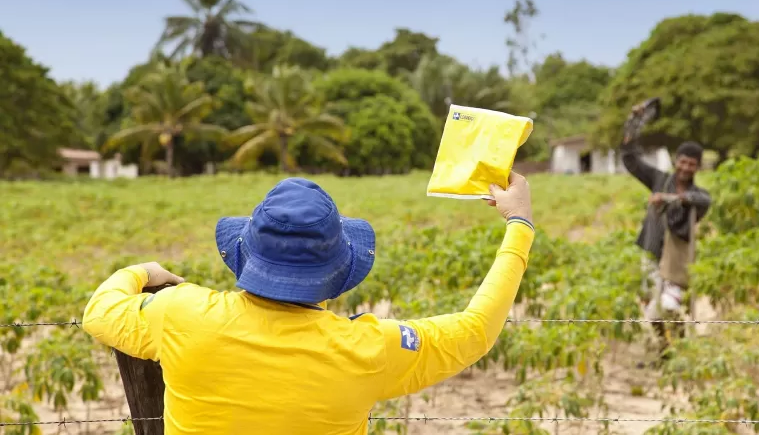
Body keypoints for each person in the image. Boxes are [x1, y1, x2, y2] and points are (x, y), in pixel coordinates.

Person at [82, 174, 534, 435]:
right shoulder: (368, 349)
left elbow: (99, 312)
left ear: (245, 254)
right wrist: (519, 223)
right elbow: (477, 329)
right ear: (339, 271)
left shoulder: (178, 313)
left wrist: (143, 271)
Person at [620, 102, 711, 359]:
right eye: (682, 162)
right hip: (651, 250)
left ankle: (680, 346)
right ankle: (665, 350)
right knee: (650, 306)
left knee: (668, 307)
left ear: (698, 167)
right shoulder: (659, 179)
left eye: (691, 165)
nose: (685, 168)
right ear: (676, 161)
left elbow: (702, 201)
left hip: (675, 261)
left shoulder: (699, 195)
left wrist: (669, 200)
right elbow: (631, 159)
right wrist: (633, 124)